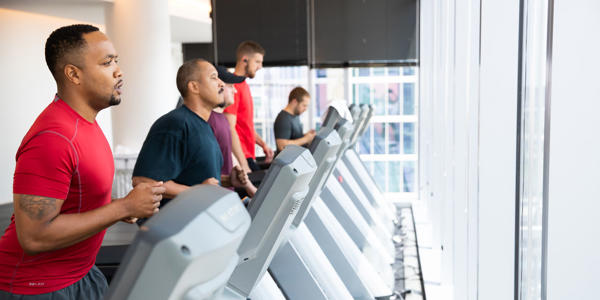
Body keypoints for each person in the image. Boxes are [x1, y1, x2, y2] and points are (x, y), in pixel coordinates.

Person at [0, 24, 165, 299]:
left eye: (117, 61)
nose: (118, 71)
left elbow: (78, 201)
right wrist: (123, 206)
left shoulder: (85, 123)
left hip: (81, 274)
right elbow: (33, 237)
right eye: (106, 62)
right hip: (36, 286)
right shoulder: (53, 137)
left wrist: (124, 209)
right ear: (73, 74)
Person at [132, 59, 247, 207]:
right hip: (176, 225)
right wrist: (197, 192)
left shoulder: (204, 125)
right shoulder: (175, 124)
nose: (221, 83)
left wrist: (227, 180)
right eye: (213, 77)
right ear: (194, 87)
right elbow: (144, 181)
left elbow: (192, 178)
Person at [223, 41, 274, 172]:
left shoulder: (244, 85)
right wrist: (243, 163)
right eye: (257, 61)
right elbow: (230, 127)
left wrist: (263, 144)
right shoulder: (232, 87)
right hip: (242, 158)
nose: (260, 66)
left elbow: (246, 125)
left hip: (249, 155)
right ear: (244, 60)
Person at [210, 66, 257, 197]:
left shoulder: (222, 120)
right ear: (219, 86)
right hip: (217, 196)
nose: (235, 91)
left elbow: (228, 152)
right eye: (231, 86)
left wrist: (248, 185)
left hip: (228, 193)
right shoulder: (209, 122)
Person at [273, 87, 316, 153]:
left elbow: (294, 137)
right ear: (294, 102)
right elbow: (282, 146)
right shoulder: (283, 119)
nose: (305, 109)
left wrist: (307, 136)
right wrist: (305, 139)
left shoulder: (295, 116)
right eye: (304, 105)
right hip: (287, 162)